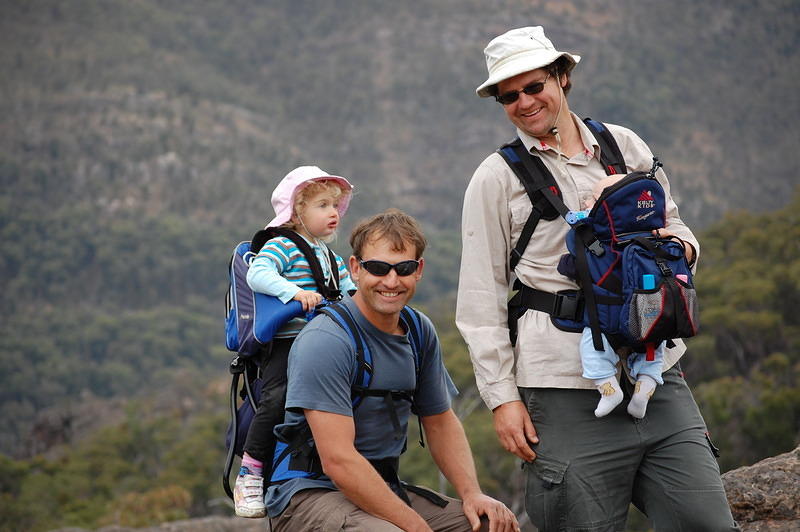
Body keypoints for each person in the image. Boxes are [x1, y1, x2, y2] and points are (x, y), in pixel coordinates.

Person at [456, 26, 739, 530]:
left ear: (563, 78)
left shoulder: (623, 145)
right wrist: (502, 400)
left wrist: (676, 254)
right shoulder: (495, 178)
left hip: (657, 369)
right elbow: (480, 302)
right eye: (508, 95)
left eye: (534, 85)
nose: (524, 102)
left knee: (708, 522)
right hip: (562, 384)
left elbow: (674, 226)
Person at [266, 209, 519, 532]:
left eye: (404, 269)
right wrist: (414, 526)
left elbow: (440, 421)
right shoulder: (327, 341)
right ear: (355, 269)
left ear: (419, 270)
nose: (391, 281)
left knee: (491, 525)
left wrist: (472, 494)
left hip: (380, 483)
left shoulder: (417, 330)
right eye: (378, 268)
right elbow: (339, 461)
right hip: (309, 495)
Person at [234, 165, 358, 518]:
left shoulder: (329, 256)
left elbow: (350, 290)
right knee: (277, 397)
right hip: (289, 342)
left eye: (334, 205)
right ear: (297, 211)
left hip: (324, 343)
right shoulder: (282, 245)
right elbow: (258, 273)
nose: (333, 213)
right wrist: (295, 293)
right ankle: (250, 472)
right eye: (322, 205)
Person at [562, 176, 666, 419]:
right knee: (653, 352)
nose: (586, 201)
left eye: (593, 198)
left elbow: (571, 266)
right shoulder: (653, 237)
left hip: (605, 321)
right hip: (648, 315)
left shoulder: (591, 238)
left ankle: (609, 389)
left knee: (592, 350)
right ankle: (645, 388)